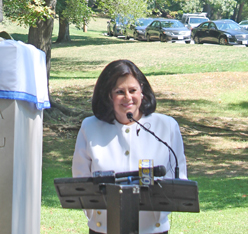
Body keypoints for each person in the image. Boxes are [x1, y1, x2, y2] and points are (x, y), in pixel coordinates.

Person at [72, 59, 187, 234]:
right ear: (108, 95)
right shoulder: (90, 127)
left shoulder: (167, 126)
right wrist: (98, 218)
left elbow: (178, 179)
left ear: (142, 91)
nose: (128, 97)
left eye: (133, 90)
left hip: (152, 230)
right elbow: (81, 179)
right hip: (104, 229)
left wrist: (159, 214)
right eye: (120, 92)